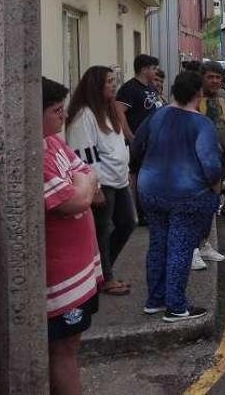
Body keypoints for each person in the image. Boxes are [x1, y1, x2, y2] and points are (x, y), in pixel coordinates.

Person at [0, 77, 103, 394]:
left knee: (71, 348)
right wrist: (84, 186)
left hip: (77, 272)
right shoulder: (19, 161)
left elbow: (88, 173)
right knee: (62, 351)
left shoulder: (52, 141)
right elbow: (79, 198)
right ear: (30, 114)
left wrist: (84, 184)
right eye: (56, 110)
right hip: (58, 281)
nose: (62, 116)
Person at [131, 71, 223, 322]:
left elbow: (136, 148)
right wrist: (216, 189)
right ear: (198, 94)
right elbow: (211, 166)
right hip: (187, 194)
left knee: (158, 243)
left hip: (150, 190)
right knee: (180, 247)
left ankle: (155, 299)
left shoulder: (156, 116)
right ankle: (176, 306)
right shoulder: (202, 124)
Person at [66, 66, 136, 297]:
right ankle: (105, 277)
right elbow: (85, 155)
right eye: (109, 81)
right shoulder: (84, 115)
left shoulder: (109, 111)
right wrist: (94, 188)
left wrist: (124, 170)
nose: (114, 85)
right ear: (96, 85)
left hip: (118, 179)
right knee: (102, 231)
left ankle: (102, 270)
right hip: (102, 183)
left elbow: (116, 145)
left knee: (127, 223)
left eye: (114, 81)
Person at [191, 60, 225, 270]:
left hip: (220, 158)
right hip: (201, 160)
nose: (215, 81)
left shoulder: (224, 96)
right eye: (210, 77)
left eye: (218, 77)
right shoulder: (195, 97)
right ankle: (193, 250)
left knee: (213, 204)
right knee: (198, 205)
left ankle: (204, 244)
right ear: (202, 78)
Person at [116, 54, 162, 226]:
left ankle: (149, 209)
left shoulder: (149, 88)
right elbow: (118, 111)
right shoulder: (130, 88)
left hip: (152, 141)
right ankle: (140, 212)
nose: (154, 72)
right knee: (139, 176)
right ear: (144, 69)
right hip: (138, 141)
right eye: (152, 68)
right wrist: (130, 136)